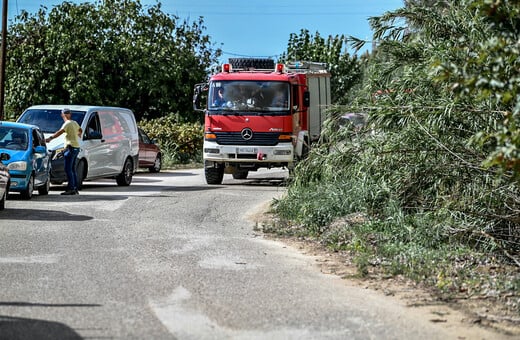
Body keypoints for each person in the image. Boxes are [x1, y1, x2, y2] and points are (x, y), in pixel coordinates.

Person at [46, 108, 83, 195]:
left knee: (68, 169)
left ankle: (71, 189)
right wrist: (77, 136)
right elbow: (80, 130)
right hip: (76, 147)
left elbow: (60, 132)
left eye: (62, 114)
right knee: (73, 169)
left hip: (70, 147)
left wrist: (50, 138)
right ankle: (75, 188)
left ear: (63, 115)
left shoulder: (67, 123)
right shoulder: (74, 122)